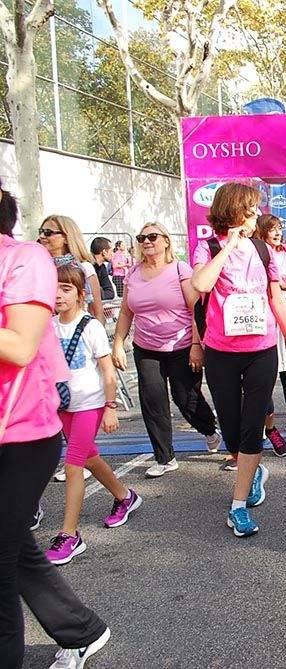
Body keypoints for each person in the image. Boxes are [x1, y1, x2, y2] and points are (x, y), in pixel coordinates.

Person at [0, 184, 111, 669]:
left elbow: (21, 346)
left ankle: (75, 527)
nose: (46, 237)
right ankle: (81, 630)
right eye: (43, 231)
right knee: (12, 544)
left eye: (53, 232)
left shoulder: (26, 259)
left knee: (79, 460)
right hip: (50, 409)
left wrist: (109, 393)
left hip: (27, 426)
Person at [191, 182, 286, 538]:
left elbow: (277, 299)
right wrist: (229, 245)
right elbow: (201, 285)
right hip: (221, 351)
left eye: (257, 210)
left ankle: (238, 506)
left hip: (262, 349)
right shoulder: (208, 247)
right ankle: (252, 471)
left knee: (253, 424)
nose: (256, 215)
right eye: (250, 210)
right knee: (232, 427)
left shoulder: (264, 249)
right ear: (234, 211)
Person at [44, 265, 141, 566]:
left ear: (80, 294)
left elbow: (107, 371)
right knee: (88, 457)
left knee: (73, 465)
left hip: (90, 404)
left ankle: (69, 535)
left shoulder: (91, 327)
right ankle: (125, 496)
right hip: (63, 405)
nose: (58, 295)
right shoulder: (48, 325)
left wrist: (110, 407)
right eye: (54, 288)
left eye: (66, 289)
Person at [111, 222, 221, 478]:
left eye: (152, 236)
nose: (146, 241)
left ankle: (209, 429)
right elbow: (126, 312)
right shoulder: (133, 273)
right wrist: (118, 342)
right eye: (141, 237)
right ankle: (165, 458)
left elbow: (195, 309)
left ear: (166, 241)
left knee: (186, 399)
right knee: (152, 402)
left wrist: (196, 345)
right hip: (146, 348)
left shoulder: (179, 269)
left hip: (182, 346)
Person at [252, 214, 286, 434]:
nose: (277, 233)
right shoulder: (254, 252)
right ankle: (265, 421)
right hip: (264, 316)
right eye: (272, 229)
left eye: (279, 228)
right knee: (265, 371)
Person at [37, 215, 104, 325]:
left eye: (48, 232)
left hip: (76, 331)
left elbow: (97, 312)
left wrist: (96, 332)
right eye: (41, 231)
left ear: (66, 238)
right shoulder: (36, 267)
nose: (42, 236)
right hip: (43, 328)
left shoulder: (84, 268)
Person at [89, 237, 116, 301]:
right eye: (111, 251)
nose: (113, 254)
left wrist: (98, 291)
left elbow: (110, 293)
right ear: (104, 252)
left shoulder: (102, 267)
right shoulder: (87, 267)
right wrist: (100, 290)